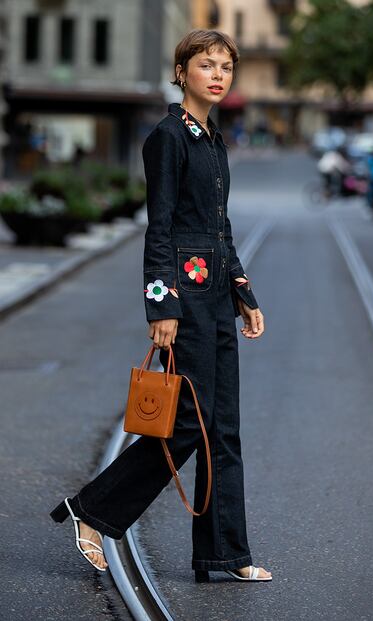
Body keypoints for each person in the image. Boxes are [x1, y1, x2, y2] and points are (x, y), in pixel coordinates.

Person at [50, 29, 272, 583]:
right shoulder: (168, 138)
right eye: (206, 65)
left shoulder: (214, 142)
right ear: (181, 73)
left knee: (224, 429)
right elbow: (162, 228)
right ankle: (93, 511)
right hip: (187, 302)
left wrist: (243, 294)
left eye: (226, 66)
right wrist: (162, 306)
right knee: (189, 425)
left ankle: (226, 553)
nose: (218, 75)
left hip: (218, 300)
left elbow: (218, 229)